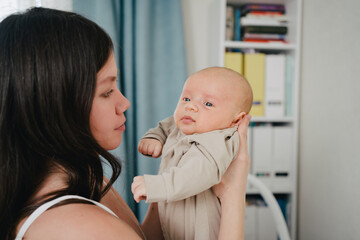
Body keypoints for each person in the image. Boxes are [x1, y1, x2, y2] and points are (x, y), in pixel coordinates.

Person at [0, 7, 251, 240]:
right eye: (107, 92)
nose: (125, 103)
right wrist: (232, 194)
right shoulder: (80, 229)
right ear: (56, 104)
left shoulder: (87, 180)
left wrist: (167, 186)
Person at [131, 67, 253, 239]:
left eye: (208, 104)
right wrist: (154, 138)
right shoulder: (184, 125)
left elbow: (197, 173)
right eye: (186, 98)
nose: (191, 106)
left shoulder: (221, 139)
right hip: (171, 225)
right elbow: (165, 128)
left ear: (236, 120)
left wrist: (157, 185)